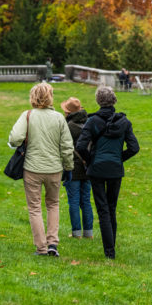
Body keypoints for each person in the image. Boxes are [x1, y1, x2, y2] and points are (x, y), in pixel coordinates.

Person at [9, 82, 74, 257]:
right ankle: (53, 243)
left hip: (32, 169)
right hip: (54, 169)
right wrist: (69, 168)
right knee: (53, 204)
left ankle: (42, 248)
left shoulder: (28, 115)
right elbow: (67, 147)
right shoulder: (59, 118)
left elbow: (15, 138)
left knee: (35, 208)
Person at [76, 86, 139, 259]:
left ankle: (109, 251)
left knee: (103, 209)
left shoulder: (93, 121)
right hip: (114, 169)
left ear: (98, 101)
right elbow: (134, 148)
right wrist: (119, 159)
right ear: (114, 100)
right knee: (111, 208)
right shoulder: (124, 122)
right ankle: (111, 248)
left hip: (97, 169)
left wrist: (90, 160)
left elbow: (80, 146)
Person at [61, 97, 94, 239]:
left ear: (68, 112)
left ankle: (76, 233)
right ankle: (89, 232)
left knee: (73, 201)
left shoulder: (68, 127)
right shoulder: (89, 123)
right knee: (86, 200)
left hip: (72, 167)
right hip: (88, 167)